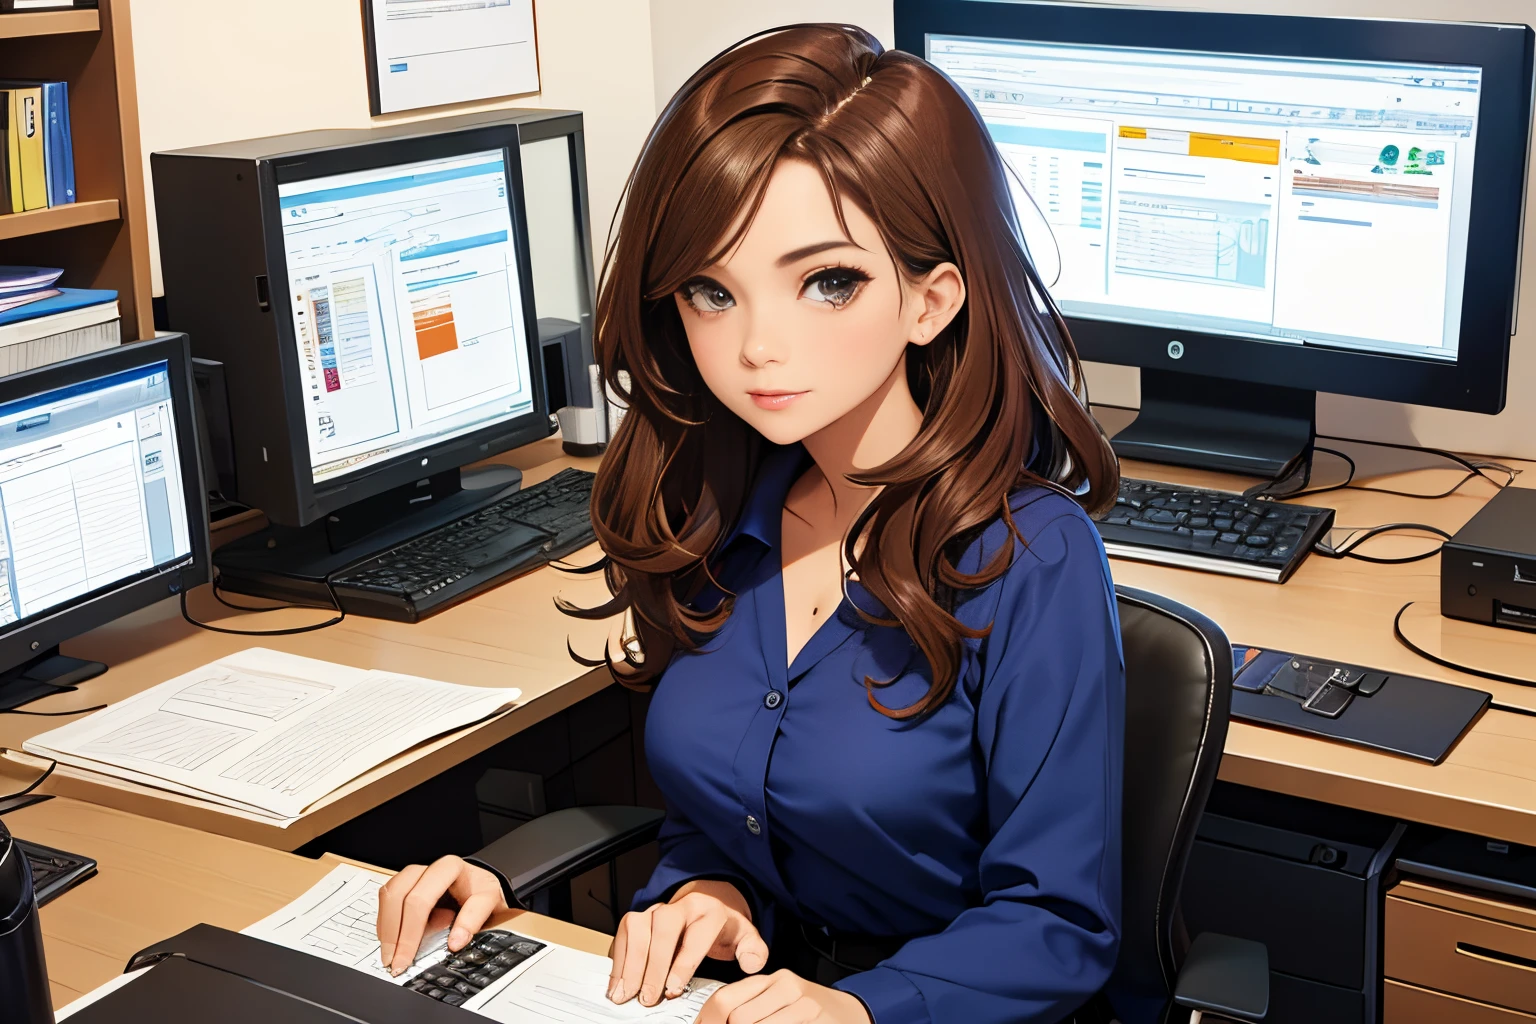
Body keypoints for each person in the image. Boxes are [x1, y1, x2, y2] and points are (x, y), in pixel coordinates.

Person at [375, 24, 1125, 1024]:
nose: (758, 346)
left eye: (828, 282)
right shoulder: (713, 516)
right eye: (711, 292)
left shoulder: (1031, 559)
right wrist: (707, 894)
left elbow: (1061, 924)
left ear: (931, 299)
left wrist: (857, 1010)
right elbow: (723, 812)